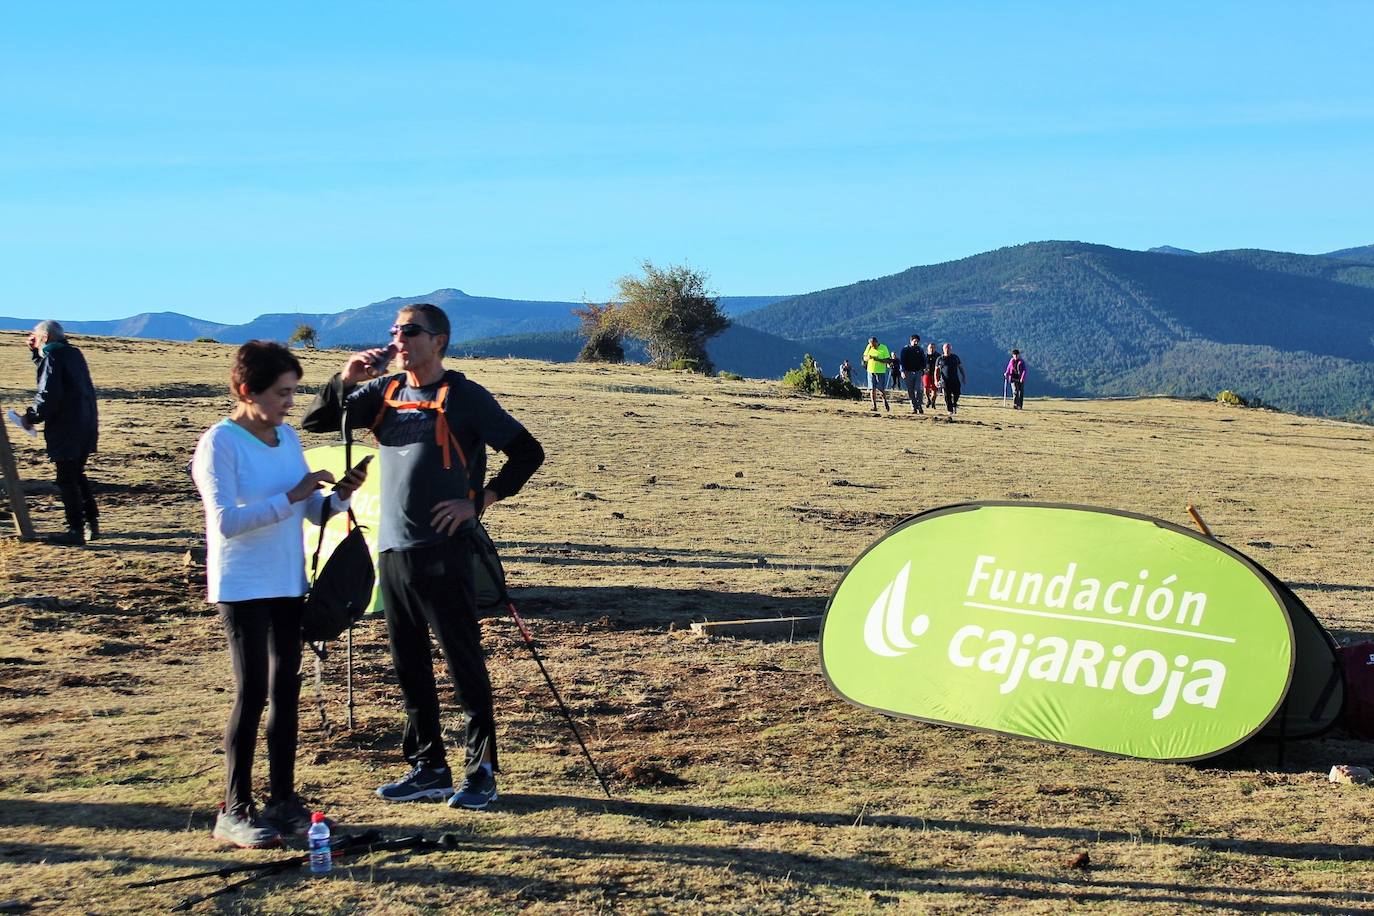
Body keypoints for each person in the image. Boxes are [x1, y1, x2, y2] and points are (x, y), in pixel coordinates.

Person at [302, 302, 544, 811]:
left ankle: (482, 771)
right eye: (394, 330)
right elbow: (319, 421)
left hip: (446, 550)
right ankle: (428, 767)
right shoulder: (382, 392)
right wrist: (346, 379)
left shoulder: (465, 396)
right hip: (391, 549)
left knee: (463, 665)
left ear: (439, 340)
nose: (399, 338)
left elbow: (528, 452)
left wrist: (479, 501)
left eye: (410, 331)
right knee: (408, 664)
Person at [191, 341, 368, 848]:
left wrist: (338, 497)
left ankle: (283, 801)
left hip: (289, 582)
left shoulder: (287, 437)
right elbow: (224, 523)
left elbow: (311, 512)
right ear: (247, 391)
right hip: (243, 584)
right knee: (253, 694)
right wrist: (291, 496)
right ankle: (236, 806)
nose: (291, 403)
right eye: (282, 393)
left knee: (286, 693)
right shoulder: (219, 444)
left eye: (293, 392)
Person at [19, 321, 99, 546]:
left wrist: (31, 416)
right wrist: (36, 354)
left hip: (67, 427)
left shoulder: (53, 358)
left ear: (44, 337)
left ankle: (75, 530)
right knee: (76, 474)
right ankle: (91, 523)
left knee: (66, 478)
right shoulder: (72, 354)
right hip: (85, 424)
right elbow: (53, 379)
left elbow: (48, 393)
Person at [936, 342, 967, 417]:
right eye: (946, 348)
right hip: (945, 381)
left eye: (949, 348)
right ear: (943, 349)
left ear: (951, 349)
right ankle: (950, 410)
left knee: (957, 393)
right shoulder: (940, 359)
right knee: (947, 396)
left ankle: (954, 404)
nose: (947, 349)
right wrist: (936, 380)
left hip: (955, 380)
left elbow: (960, 367)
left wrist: (964, 376)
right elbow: (936, 370)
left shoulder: (955, 357)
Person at [898, 334, 926, 415]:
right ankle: (914, 407)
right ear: (911, 341)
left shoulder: (920, 349)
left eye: (917, 341)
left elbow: (923, 360)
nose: (916, 343)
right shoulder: (905, 349)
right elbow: (902, 361)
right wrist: (902, 371)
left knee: (919, 389)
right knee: (911, 391)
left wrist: (924, 368)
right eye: (915, 341)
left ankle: (919, 405)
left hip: (918, 372)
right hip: (908, 372)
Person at [861, 337, 891, 412]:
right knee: (872, 389)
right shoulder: (869, 347)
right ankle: (874, 406)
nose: (873, 347)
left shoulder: (884, 348)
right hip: (870, 371)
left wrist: (878, 359)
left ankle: (885, 401)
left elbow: (888, 360)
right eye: (871, 345)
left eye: (874, 345)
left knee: (881, 389)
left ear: (877, 342)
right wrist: (868, 357)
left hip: (880, 371)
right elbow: (864, 357)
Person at [923, 342, 939, 410]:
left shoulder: (938, 356)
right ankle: (928, 400)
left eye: (933, 348)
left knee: (934, 390)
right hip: (926, 374)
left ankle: (933, 402)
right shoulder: (924, 356)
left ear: (935, 348)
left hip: (935, 374)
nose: (932, 349)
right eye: (930, 347)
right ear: (928, 348)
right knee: (926, 387)